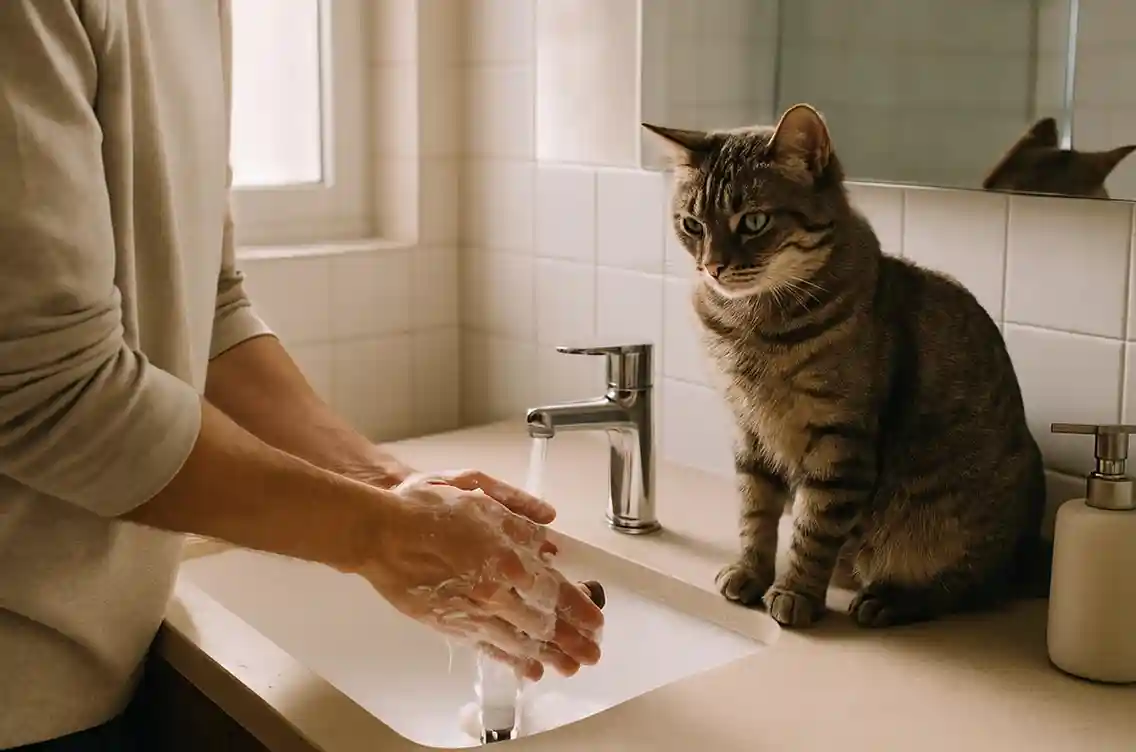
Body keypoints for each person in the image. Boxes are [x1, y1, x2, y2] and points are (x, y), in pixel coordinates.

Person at [0, 2, 603, 749]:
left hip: (105, 660)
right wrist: (377, 534)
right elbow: (48, 390)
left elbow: (208, 308)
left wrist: (386, 487)